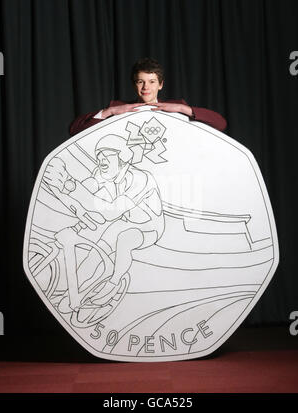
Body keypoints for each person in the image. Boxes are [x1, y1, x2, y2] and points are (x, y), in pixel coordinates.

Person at [44, 134, 165, 310]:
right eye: (99, 156)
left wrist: (73, 186)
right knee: (96, 252)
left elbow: (111, 211)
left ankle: (114, 283)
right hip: (125, 220)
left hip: (149, 226)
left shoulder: (140, 179)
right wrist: (66, 185)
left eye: (107, 155)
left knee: (125, 239)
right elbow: (90, 186)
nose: (101, 160)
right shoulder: (103, 173)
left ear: (122, 158)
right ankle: (74, 289)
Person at [69, 57, 227, 136]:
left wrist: (182, 108)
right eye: (140, 82)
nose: (146, 87)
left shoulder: (177, 107)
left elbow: (220, 124)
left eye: (152, 82)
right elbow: (75, 130)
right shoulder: (117, 107)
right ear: (134, 84)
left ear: (160, 84)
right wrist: (108, 112)